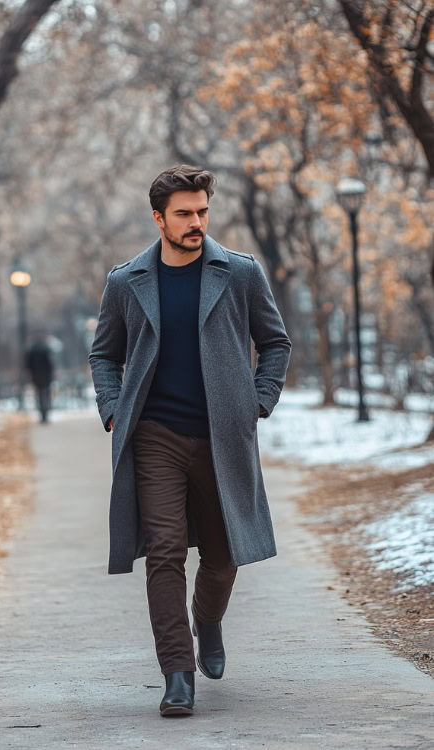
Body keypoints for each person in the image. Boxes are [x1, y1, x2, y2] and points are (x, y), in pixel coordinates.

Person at [89, 165, 292, 717]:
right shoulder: (126, 281)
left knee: (224, 557)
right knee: (165, 556)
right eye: (184, 213)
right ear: (159, 219)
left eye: (202, 210)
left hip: (223, 437)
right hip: (153, 437)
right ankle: (177, 675)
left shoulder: (240, 273)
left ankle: (208, 620)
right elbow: (104, 354)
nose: (196, 221)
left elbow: (275, 343)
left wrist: (258, 401)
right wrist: (112, 411)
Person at [25, 333, 54, 423]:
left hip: (36, 375)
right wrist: (51, 373)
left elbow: (28, 364)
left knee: (39, 395)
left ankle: (42, 413)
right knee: (46, 393)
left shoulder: (31, 350)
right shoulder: (46, 349)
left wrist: (31, 373)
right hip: (46, 375)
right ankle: (46, 412)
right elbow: (50, 363)